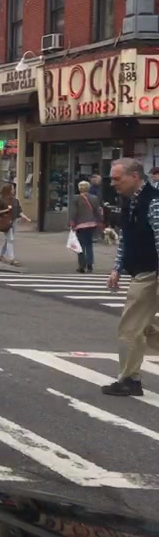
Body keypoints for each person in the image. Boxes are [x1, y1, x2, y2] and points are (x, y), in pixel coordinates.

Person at [104, 157, 159, 396]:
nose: (113, 183)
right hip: (139, 270)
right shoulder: (128, 202)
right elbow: (125, 238)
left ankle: (130, 379)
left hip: (151, 271)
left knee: (130, 326)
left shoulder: (153, 202)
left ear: (134, 176)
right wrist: (117, 267)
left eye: (117, 178)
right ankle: (130, 378)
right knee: (139, 326)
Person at [68, 179, 103, 273]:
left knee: (81, 245)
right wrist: (100, 221)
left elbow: (74, 212)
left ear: (79, 188)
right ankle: (90, 265)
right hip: (92, 224)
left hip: (80, 225)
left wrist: (72, 223)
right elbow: (97, 211)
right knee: (89, 244)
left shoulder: (76, 198)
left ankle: (82, 266)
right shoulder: (94, 198)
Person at [0, 184, 31, 266]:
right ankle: (11, 258)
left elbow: (19, 211)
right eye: (12, 189)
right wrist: (7, 210)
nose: (14, 190)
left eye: (13, 189)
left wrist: (25, 217)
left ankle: (0, 255)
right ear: (8, 190)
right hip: (5, 222)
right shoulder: (1, 200)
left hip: (13, 222)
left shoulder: (15, 201)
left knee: (8, 239)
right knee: (10, 239)